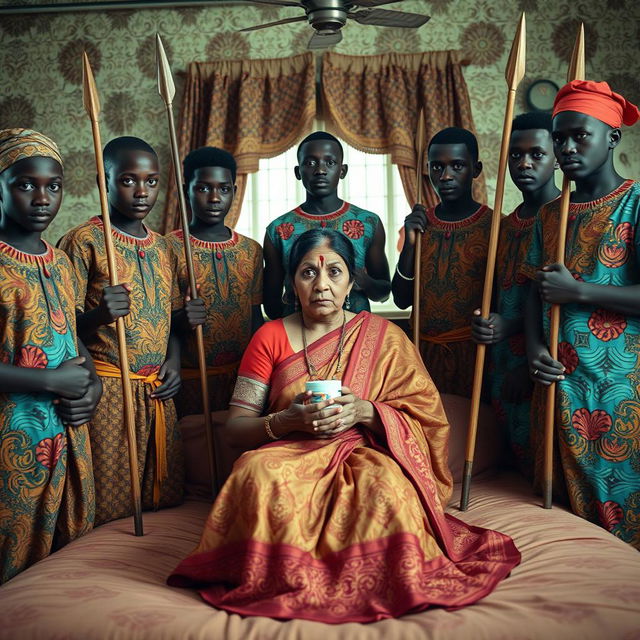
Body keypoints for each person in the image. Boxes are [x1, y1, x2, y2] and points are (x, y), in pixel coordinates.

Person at [168, 228, 520, 622]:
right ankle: (286, 574)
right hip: (288, 449)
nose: (322, 285)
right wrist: (286, 421)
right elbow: (235, 428)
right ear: (291, 283)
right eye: (307, 273)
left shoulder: (384, 336)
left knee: (385, 484)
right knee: (255, 472)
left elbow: (427, 416)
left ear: (352, 280)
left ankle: (375, 577)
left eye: (334, 272)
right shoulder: (269, 336)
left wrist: (367, 411)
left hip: (363, 450)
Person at [521, 80, 640, 548]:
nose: (567, 148)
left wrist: (581, 291)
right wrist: (532, 349)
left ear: (612, 137)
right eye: (560, 137)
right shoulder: (550, 214)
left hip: (617, 392)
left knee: (617, 520)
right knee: (560, 526)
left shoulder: (635, 204)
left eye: (580, 136)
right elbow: (535, 293)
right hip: (554, 386)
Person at [58, 136, 200, 525]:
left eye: (151, 181)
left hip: (157, 391)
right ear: (105, 182)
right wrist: (98, 316)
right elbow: (61, 328)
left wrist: (172, 363)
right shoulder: (82, 242)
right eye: (128, 180)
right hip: (108, 392)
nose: (142, 191)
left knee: (163, 504)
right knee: (110, 507)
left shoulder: (162, 247)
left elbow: (171, 321)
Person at [0, 129, 101, 582]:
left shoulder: (60, 261)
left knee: (61, 570)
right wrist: (48, 382)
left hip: (67, 436)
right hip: (11, 440)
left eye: (53, 186)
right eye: (25, 185)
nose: (42, 197)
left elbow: (73, 338)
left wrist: (92, 386)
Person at [471, 113, 560, 476]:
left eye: (536, 154)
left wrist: (527, 355)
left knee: (549, 468)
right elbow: (503, 293)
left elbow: (553, 301)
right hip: (501, 362)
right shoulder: (505, 225)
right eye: (515, 155)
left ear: (556, 155)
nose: (524, 163)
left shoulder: (564, 217)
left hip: (543, 362)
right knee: (512, 471)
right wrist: (490, 324)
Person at [393, 127, 491, 397]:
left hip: (475, 356)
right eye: (437, 167)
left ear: (476, 169)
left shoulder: (495, 226)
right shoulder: (418, 225)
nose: (445, 176)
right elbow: (401, 299)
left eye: (457, 166)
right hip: (422, 355)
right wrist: (410, 245)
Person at [166, 146, 263, 417]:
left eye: (223, 189)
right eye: (203, 188)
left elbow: (255, 318)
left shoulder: (251, 250)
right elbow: (161, 321)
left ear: (234, 190)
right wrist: (182, 319)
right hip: (189, 380)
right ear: (187, 190)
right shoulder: (168, 247)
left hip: (242, 379)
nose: (214, 198)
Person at [263, 131, 391, 318]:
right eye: (310, 163)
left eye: (330, 162)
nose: (320, 170)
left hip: (355, 338)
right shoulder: (278, 230)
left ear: (342, 170)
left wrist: (364, 280)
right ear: (298, 172)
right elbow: (272, 305)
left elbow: (384, 293)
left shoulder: (369, 223)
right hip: (298, 339)